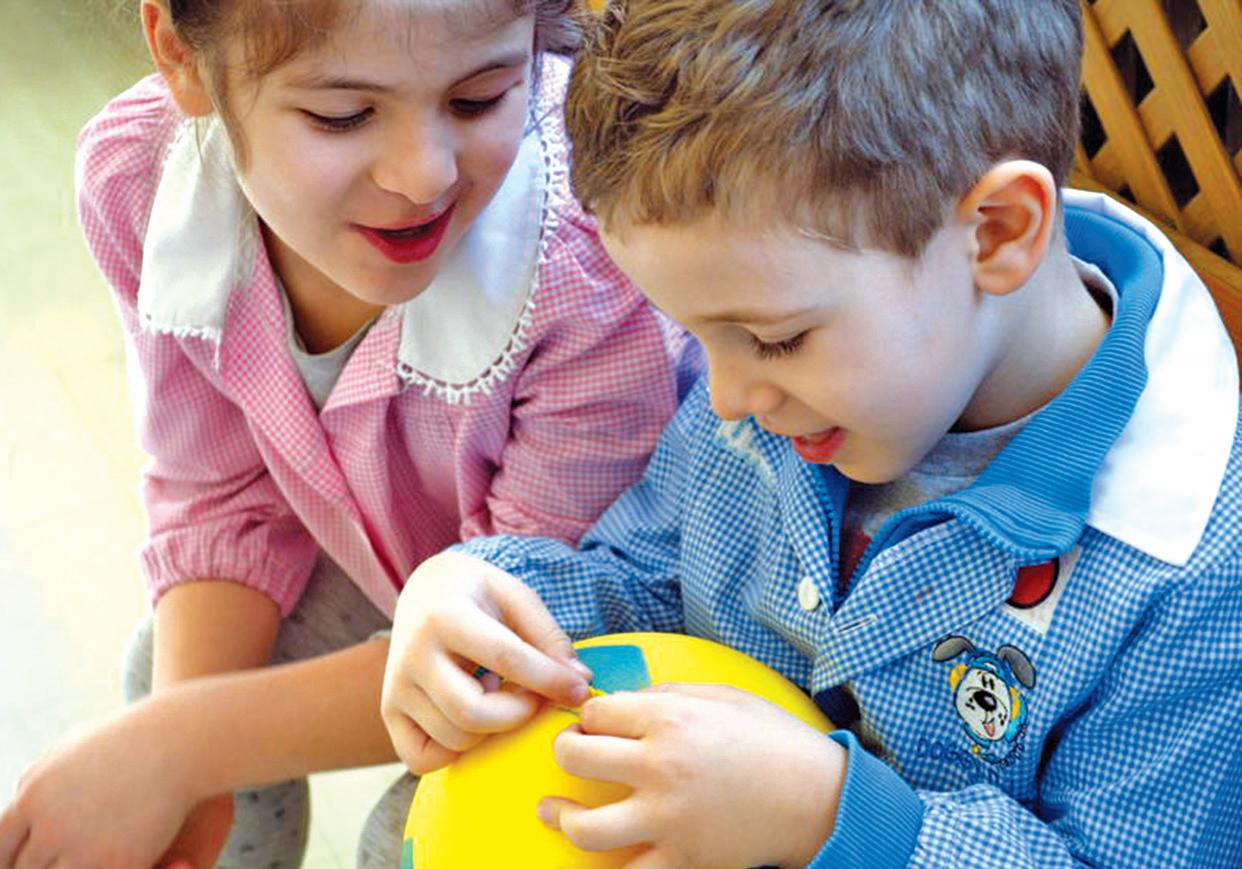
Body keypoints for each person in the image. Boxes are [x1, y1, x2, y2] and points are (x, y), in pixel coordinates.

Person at [380, 0, 1242, 866]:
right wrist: (483, 594)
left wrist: (829, 811)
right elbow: (643, 579)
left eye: (776, 339)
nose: (724, 398)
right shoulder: (791, 360)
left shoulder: (1191, 574)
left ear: (998, 232)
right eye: (698, 334)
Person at [0, 0, 694, 866]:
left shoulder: (590, 263)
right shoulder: (139, 177)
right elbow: (218, 489)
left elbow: (526, 637)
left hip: (577, 631)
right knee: (167, 674)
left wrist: (177, 746)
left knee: (402, 841)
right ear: (179, 54)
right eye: (343, 115)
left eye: (479, 98)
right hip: (405, 565)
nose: (424, 175)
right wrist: (178, 761)